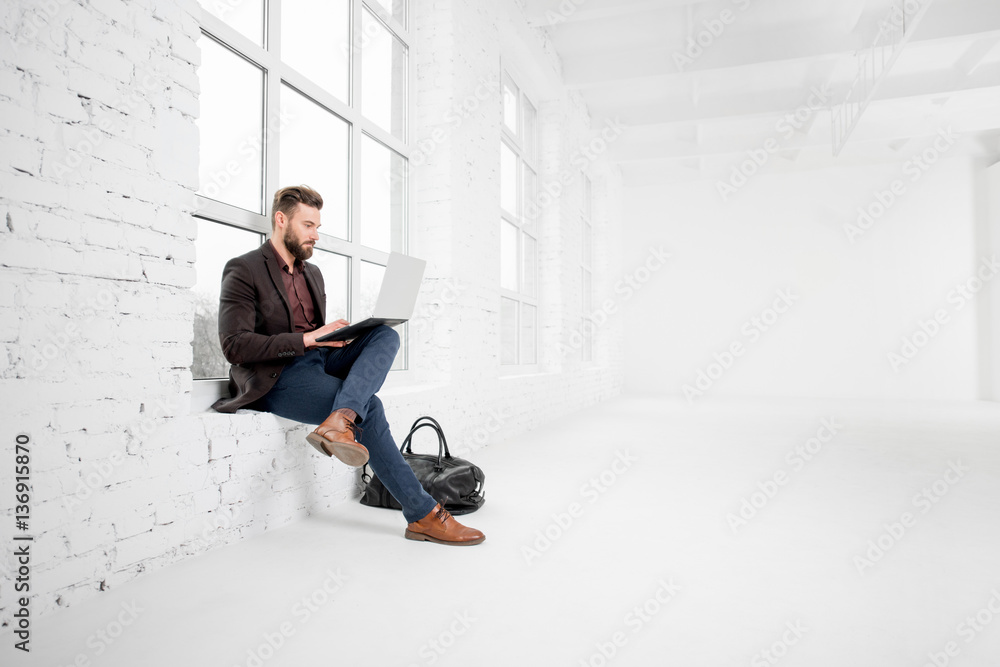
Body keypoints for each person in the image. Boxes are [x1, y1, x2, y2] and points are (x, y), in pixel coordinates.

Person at [212, 185, 484, 547]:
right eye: (308, 225)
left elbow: (315, 336)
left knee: (385, 335)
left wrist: (329, 339)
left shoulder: (313, 274)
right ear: (281, 220)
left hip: (318, 359)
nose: (315, 234)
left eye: (317, 226)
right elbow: (235, 345)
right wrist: (308, 339)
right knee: (369, 406)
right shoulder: (244, 269)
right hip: (277, 377)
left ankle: (339, 420)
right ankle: (423, 515)